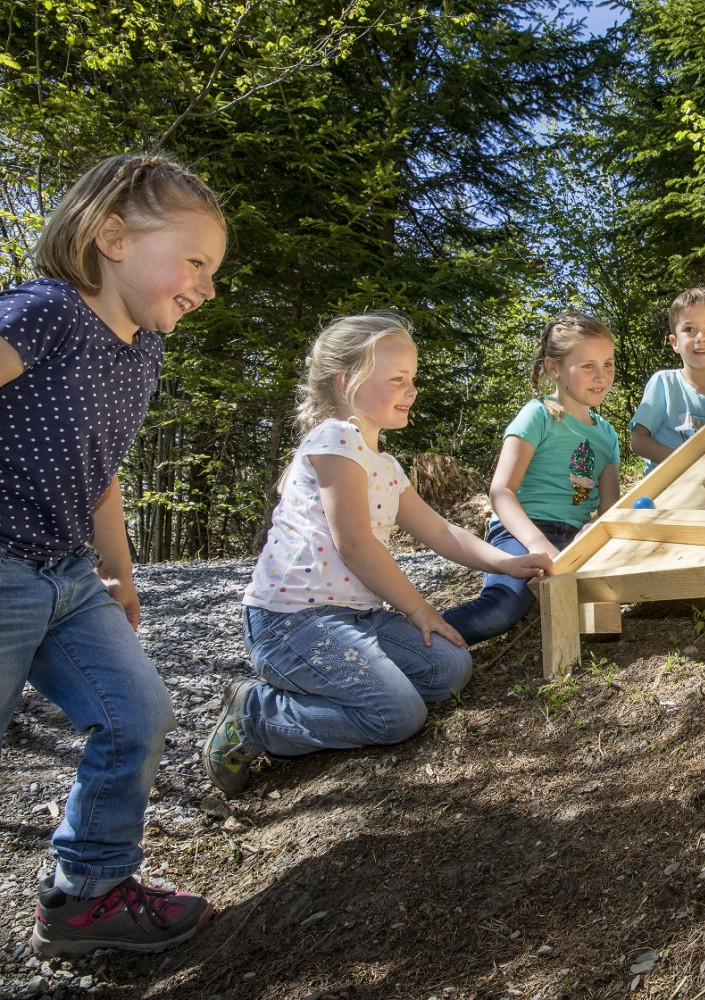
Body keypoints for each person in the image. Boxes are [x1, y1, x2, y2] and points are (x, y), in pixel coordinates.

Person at [0, 152, 224, 956]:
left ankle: (87, 895)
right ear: (113, 238)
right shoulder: (46, 312)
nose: (207, 287)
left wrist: (121, 576)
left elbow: (101, 470)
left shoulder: (142, 351)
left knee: (137, 716)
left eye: (213, 271)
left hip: (68, 575)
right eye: (194, 262)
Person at [202, 312, 551, 798]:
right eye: (397, 379)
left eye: (412, 379)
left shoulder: (384, 464)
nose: (411, 390)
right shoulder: (334, 440)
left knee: (449, 668)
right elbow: (354, 543)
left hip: (357, 619)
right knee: (397, 715)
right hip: (291, 623)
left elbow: (440, 530)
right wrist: (419, 609)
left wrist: (504, 562)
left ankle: (338, 688)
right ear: (347, 381)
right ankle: (257, 715)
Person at [441, 312, 621, 645]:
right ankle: (412, 637)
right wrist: (538, 543)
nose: (601, 376)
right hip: (522, 531)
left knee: (602, 616)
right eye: (588, 366)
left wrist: (596, 528)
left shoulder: (608, 435)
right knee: (502, 609)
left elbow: (610, 507)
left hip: (574, 537)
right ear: (554, 368)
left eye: (608, 364)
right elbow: (501, 491)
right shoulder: (538, 415)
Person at [630, 287, 705, 471]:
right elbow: (638, 441)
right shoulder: (665, 384)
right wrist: (688, 463)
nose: (701, 337)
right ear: (675, 342)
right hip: (667, 486)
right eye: (689, 329)